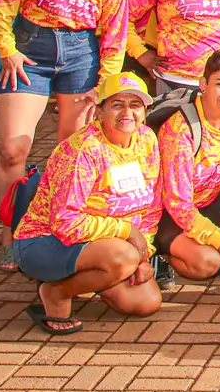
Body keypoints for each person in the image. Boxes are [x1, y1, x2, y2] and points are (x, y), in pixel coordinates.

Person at [0, 0, 131, 270]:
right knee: (12, 149)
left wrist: (104, 86)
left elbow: (114, 36)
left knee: (71, 153)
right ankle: (10, 233)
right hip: (30, 51)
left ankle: (50, 228)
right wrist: (7, 48)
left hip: (81, 57)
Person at [14, 72, 164, 334]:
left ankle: (93, 276)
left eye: (135, 105)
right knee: (123, 258)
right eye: (117, 104)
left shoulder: (147, 139)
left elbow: (152, 206)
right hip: (45, 241)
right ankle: (56, 292)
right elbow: (66, 222)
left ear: (145, 111)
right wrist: (127, 233)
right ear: (99, 111)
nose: (127, 113)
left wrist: (144, 254)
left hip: (110, 244)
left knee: (146, 302)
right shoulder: (83, 149)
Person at [156, 50, 220, 284]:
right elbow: (178, 204)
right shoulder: (181, 129)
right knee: (207, 264)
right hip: (172, 216)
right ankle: (160, 256)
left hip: (210, 202)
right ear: (203, 84)